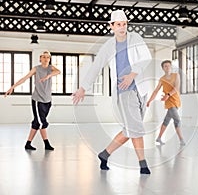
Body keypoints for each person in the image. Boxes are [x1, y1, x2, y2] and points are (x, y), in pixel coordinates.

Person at [72, 10, 152, 174]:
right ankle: (143, 165)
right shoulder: (108, 46)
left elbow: (146, 57)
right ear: (111, 26)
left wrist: (132, 74)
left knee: (131, 129)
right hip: (124, 91)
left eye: (124, 24)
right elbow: (96, 67)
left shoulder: (135, 38)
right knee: (135, 128)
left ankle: (105, 154)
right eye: (118, 25)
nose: (122, 28)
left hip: (140, 88)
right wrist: (83, 88)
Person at [5, 51, 61, 151]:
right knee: (42, 122)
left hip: (47, 100)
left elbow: (58, 71)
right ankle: (46, 144)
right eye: (43, 57)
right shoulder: (36, 68)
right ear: (40, 58)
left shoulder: (51, 68)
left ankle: (28, 143)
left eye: (47, 57)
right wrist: (13, 87)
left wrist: (48, 76)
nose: (46, 59)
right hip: (37, 100)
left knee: (36, 123)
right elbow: (24, 78)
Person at [146, 60, 185, 146]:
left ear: (171, 67)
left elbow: (177, 87)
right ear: (163, 68)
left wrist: (168, 94)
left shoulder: (176, 75)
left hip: (176, 100)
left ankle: (159, 138)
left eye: (168, 66)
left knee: (167, 120)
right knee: (177, 119)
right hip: (169, 102)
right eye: (165, 66)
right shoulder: (162, 79)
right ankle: (181, 139)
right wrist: (149, 100)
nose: (167, 68)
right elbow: (156, 91)